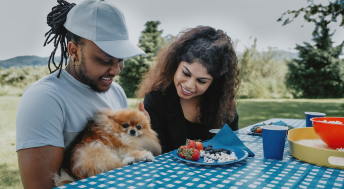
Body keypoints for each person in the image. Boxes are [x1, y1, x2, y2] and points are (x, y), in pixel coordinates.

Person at [16, 0, 145, 188]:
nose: (116, 70)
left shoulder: (117, 92)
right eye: (105, 60)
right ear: (74, 51)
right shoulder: (44, 99)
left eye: (120, 60)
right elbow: (40, 185)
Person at [137, 26, 240, 153]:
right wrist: (145, 136)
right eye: (186, 73)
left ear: (215, 82)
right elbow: (154, 155)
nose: (189, 85)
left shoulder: (222, 103)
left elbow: (232, 148)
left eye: (201, 81)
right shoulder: (157, 98)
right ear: (175, 65)